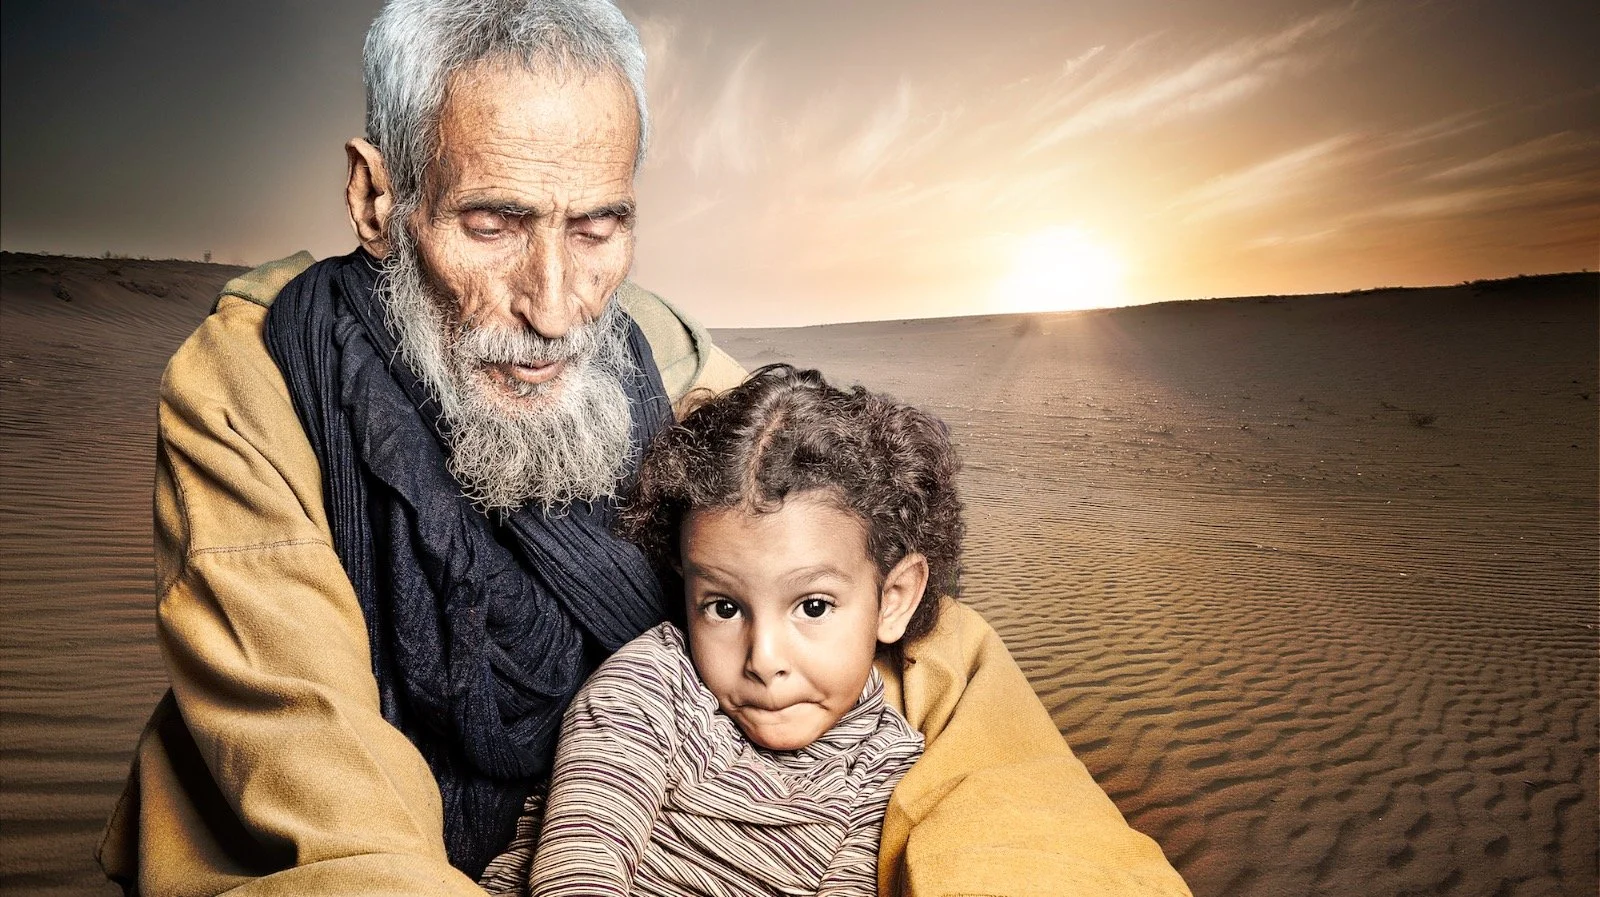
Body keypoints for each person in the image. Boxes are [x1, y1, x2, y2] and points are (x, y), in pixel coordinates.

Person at [97, 1, 1192, 895]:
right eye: (492, 225)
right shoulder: (254, 382)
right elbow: (322, 779)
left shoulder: (654, 350)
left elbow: (851, 566)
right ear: (381, 199)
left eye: (597, 226)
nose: (555, 303)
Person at [480, 365, 948, 895]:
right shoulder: (649, 690)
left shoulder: (887, 761)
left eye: (813, 607)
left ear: (894, 598)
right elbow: (580, 865)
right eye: (724, 608)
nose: (764, 659)